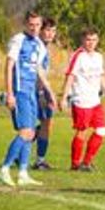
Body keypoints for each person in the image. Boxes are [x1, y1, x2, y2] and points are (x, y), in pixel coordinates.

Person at [0, 10, 56, 187]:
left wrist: (50, 92)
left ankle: (23, 173)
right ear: (26, 24)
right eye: (31, 25)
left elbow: (39, 70)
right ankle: (4, 169)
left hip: (32, 92)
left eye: (37, 25)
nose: (34, 28)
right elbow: (9, 67)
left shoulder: (39, 44)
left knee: (31, 132)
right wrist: (10, 93)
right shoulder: (18, 40)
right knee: (25, 132)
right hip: (20, 91)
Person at [62, 28, 105, 172]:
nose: (91, 43)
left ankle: (87, 162)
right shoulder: (78, 56)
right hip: (81, 100)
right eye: (88, 40)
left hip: (95, 101)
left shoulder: (98, 57)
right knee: (81, 132)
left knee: (102, 130)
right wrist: (64, 97)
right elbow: (70, 76)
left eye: (94, 40)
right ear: (83, 40)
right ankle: (75, 164)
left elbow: (101, 77)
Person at [32, 18, 58, 171]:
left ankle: (38, 159)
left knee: (46, 123)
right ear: (40, 30)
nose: (50, 34)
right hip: (35, 90)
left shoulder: (44, 47)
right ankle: (39, 160)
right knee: (38, 125)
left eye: (53, 31)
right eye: (47, 30)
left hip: (41, 90)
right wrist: (42, 93)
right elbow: (36, 72)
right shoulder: (37, 46)